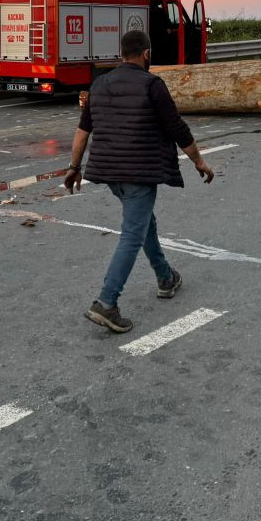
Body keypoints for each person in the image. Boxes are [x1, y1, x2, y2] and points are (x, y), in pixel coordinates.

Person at [64, 30, 215, 334]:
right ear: (146, 53)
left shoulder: (100, 84)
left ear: (121, 54)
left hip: (108, 173)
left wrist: (73, 167)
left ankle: (166, 278)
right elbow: (176, 128)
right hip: (139, 172)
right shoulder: (152, 85)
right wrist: (199, 161)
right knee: (133, 234)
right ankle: (106, 302)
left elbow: (83, 131)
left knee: (145, 223)